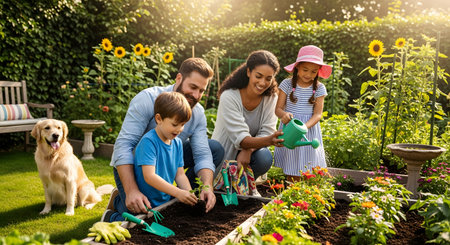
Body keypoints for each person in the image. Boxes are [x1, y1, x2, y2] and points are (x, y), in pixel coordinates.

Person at [106, 58, 224, 219]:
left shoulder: (196, 114)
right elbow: (123, 146)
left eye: (202, 90)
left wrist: (206, 187)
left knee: (214, 148)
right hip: (136, 167)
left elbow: (202, 154)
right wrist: (131, 190)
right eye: (193, 87)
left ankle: (179, 199)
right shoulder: (147, 99)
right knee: (143, 215)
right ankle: (121, 200)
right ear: (179, 78)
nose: (196, 95)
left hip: (166, 159)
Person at [107, 92, 198, 221]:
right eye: (174, 124)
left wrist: (188, 193)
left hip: (161, 199)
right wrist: (178, 192)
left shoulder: (177, 143)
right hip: (145, 200)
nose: (179, 130)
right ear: (159, 119)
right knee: (138, 226)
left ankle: (119, 202)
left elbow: (180, 175)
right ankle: (112, 214)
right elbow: (149, 177)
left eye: (182, 125)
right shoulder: (149, 142)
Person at [212, 50, 284, 182]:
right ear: (248, 72)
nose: (263, 83)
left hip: (250, 154)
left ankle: (246, 184)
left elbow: (267, 130)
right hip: (224, 155)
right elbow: (241, 138)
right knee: (219, 188)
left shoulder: (271, 97)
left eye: (268, 78)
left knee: (264, 157)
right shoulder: (229, 96)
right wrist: (270, 140)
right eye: (258, 76)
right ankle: (224, 183)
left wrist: (248, 150)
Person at [274, 45, 331, 182]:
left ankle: (308, 191)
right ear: (297, 67)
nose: (308, 75)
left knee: (309, 165)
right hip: (290, 129)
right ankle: (292, 190)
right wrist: (284, 115)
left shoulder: (319, 88)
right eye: (305, 70)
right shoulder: (287, 84)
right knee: (291, 164)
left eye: (313, 72)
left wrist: (304, 127)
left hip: (308, 130)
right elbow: (278, 109)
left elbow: (318, 114)